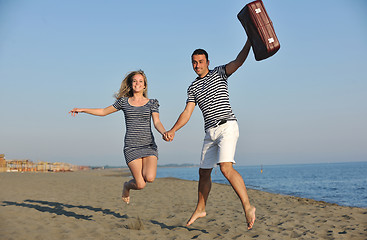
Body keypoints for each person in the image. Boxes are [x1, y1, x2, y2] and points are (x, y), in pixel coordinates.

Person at [163, 39, 256, 229]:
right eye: (194, 63)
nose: (197, 65)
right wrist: (173, 130)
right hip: (209, 132)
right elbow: (187, 112)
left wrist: (249, 42)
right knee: (203, 172)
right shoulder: (193, 87)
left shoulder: (220, 73)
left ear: (208, 62)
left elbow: (238, 62)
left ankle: (247, 206)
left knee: (225, 168)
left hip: (227, 126)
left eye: (200, 61)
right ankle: (201, 208)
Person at [69, 70, 167, 204]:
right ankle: (127, 186)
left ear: (145, 86)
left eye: (140, 81)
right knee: (140, 185)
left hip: (149, 145)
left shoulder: (152, 103)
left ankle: (131, 184)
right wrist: (83, 110)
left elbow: (157, 122)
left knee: (149, 178)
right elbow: (103, 111)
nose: (137, 83)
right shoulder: (124, 102)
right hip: (131, 147)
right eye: (134, 81)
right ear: (131, 84)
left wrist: (164, 132)